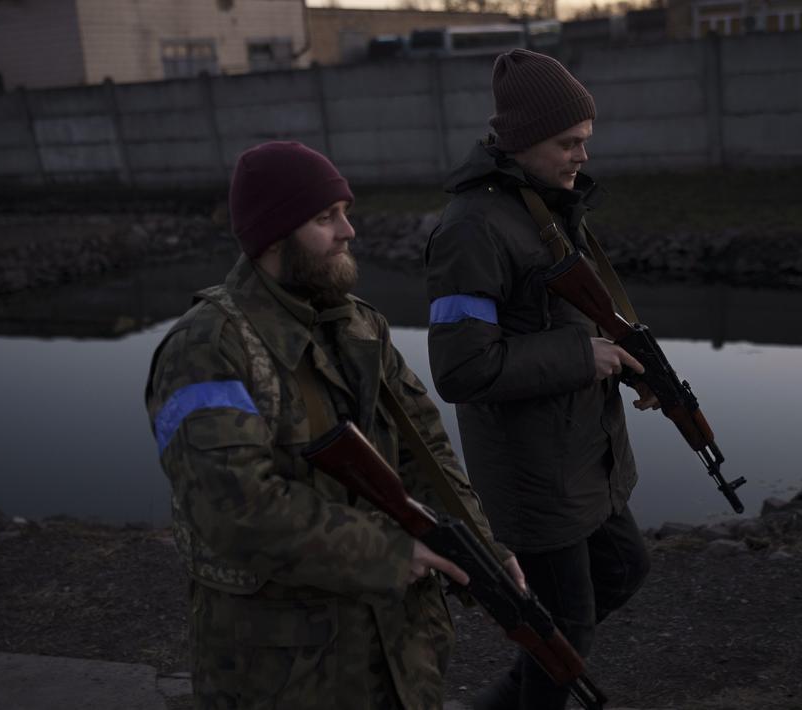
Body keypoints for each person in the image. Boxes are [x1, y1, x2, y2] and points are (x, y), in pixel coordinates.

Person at [145, 141, 523, 710]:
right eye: (326, 218)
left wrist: (480, 546)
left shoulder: (360, 325)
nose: (349, 230)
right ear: (274, 235)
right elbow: (233, 509)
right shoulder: (206, 347)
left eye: (346, 211)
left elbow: (426, 454)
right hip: (286, 667)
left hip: (396, 651)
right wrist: (393, 553)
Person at [424, 49, 653, 709]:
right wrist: (585, 356)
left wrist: (618, 352)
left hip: (584, 454)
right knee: (563, 633)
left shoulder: (544, 207)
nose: (582, 154)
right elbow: (461, 368)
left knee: (623, 570)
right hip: (533, 469)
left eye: (584, 139)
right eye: (568, 141)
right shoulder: (470, 230)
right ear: (522, 141)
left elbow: (562, 313)